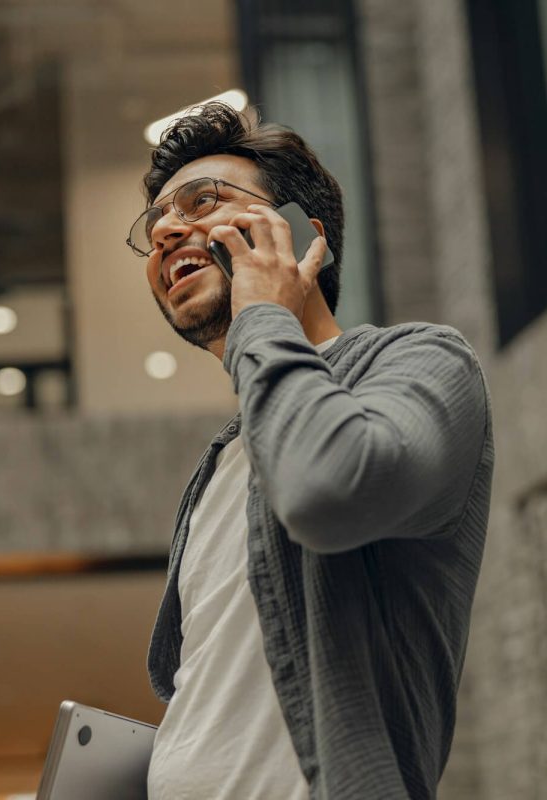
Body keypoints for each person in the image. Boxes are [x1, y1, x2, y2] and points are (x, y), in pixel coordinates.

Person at [127, 102, 493, 800]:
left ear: (300, 235)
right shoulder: (219, 464)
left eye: (203, 201)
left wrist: (262, 313)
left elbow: (328, 489)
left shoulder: (425, 360)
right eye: (156, 225)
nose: (169, 229)